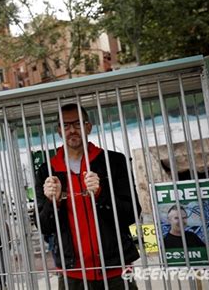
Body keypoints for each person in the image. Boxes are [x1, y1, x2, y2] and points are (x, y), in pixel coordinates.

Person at [36, 104, 141, 290]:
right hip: (72, 274)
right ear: (59, 131)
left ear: (88, 127)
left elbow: (132, 213)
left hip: (116, 270)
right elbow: (44, 226)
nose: (72, 130)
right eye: (66, 126)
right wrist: (54, 201)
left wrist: (101, 193)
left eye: (77, 124)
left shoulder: (113, 162)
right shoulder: (47, 170)